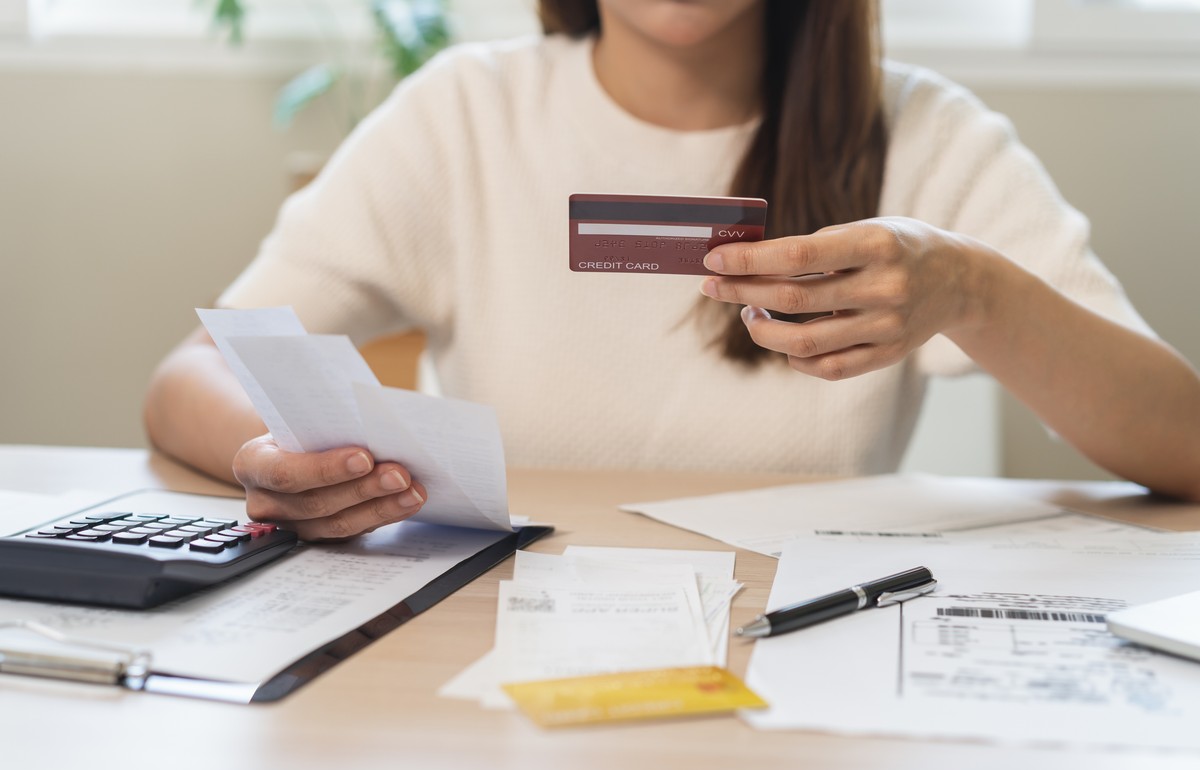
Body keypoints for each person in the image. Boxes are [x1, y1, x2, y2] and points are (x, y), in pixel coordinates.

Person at [143, 0, 1200, 541]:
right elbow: (189, 375)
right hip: (504, 647)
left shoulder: (926, 134)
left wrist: (973, 289)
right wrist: (273, 458)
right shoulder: (462, 114)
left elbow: (1185, 444)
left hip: (800, 656)